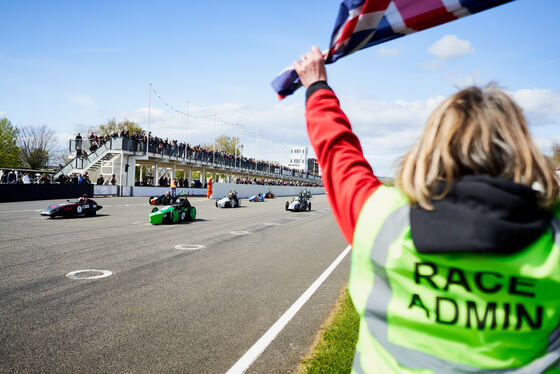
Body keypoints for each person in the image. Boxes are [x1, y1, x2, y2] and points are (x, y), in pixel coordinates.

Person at [294, 46, 560, 373]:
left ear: (432, 146)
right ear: (522, 150)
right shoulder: (553, 241)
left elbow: (338, 154)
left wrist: (317, 87)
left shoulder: (382, 219)